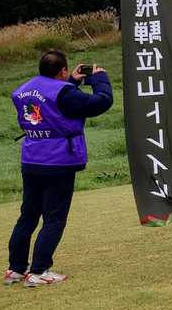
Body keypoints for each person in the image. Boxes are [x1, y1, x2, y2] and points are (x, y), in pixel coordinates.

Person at [6, 50, 114, 286]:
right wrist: (100, 79)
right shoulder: (64, 93)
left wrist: (72, 81)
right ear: (62, 70)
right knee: (54, 219)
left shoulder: (24, 89)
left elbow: (52, 105)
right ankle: (38, 271)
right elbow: (100, 102)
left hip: (31, 159)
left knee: (28, 217)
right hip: (58, 161)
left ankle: (16, 268)